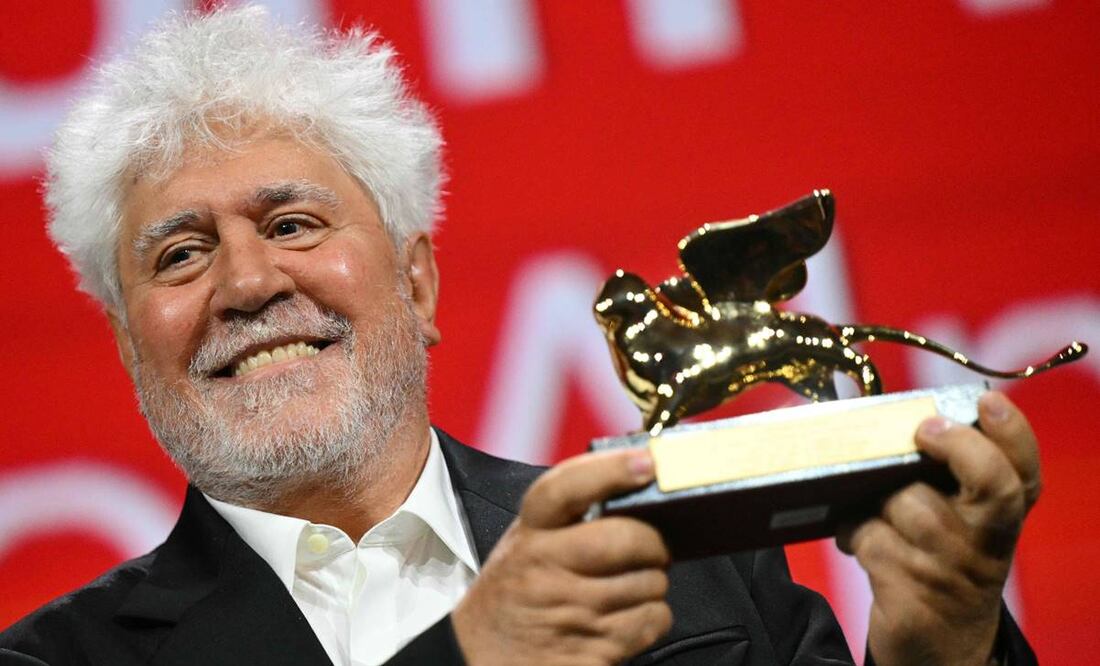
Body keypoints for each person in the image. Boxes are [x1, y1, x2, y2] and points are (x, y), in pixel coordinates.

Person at [0, 6, 1039, 665]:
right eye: (178, 254)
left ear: (416, 282)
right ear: (134, 348)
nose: (246, 281)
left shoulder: (702, 567)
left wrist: (939, 648)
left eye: (291, 224)